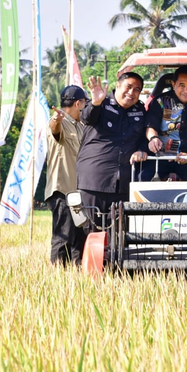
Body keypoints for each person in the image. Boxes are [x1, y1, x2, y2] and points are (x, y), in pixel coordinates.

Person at [76, 73, 149, 220]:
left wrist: (142, 150)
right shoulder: (101, 102)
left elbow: (144, 137)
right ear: (117, 86)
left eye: (137, 89)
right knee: (93, 231)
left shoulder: (140, 111)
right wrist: (96, 102)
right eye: (128, 87)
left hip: (124, 183)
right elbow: (86, 118)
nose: (131, 93)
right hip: (95, 180)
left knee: (120, 234)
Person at [141, 66, 187, 181]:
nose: (186, 90)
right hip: (161, 157)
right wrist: (153, 138)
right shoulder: (160, 101)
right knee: (143, 177)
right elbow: (151, 125)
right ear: (173, 84)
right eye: (182, 85)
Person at [44, 85, 88, 266]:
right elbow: (55, 129)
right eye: (86, 103)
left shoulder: (82, 126)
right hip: (63, 191)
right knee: (63, 238)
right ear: (78, 103)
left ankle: (77, 280)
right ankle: (58, 280)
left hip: (79, 193)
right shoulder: (60, 122)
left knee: (80, 239)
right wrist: (57, 119)